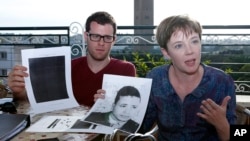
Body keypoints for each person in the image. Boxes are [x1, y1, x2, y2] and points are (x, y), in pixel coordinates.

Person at [137, 15, 237, 141]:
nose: (190, 51)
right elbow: (140, 127)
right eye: (179, 45)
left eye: (194, 41)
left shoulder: (222, 81)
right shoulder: (156, 78)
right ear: (166, 52)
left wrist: (221, 124)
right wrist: (108, 105)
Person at [7, 11, 136, 107]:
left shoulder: (125, 70)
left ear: (114, 40)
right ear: (85, 36)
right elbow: (32, 104)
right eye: (95, 36)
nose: (101, 43)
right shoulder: (67, 68)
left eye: (107, 37)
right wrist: (18, 91)